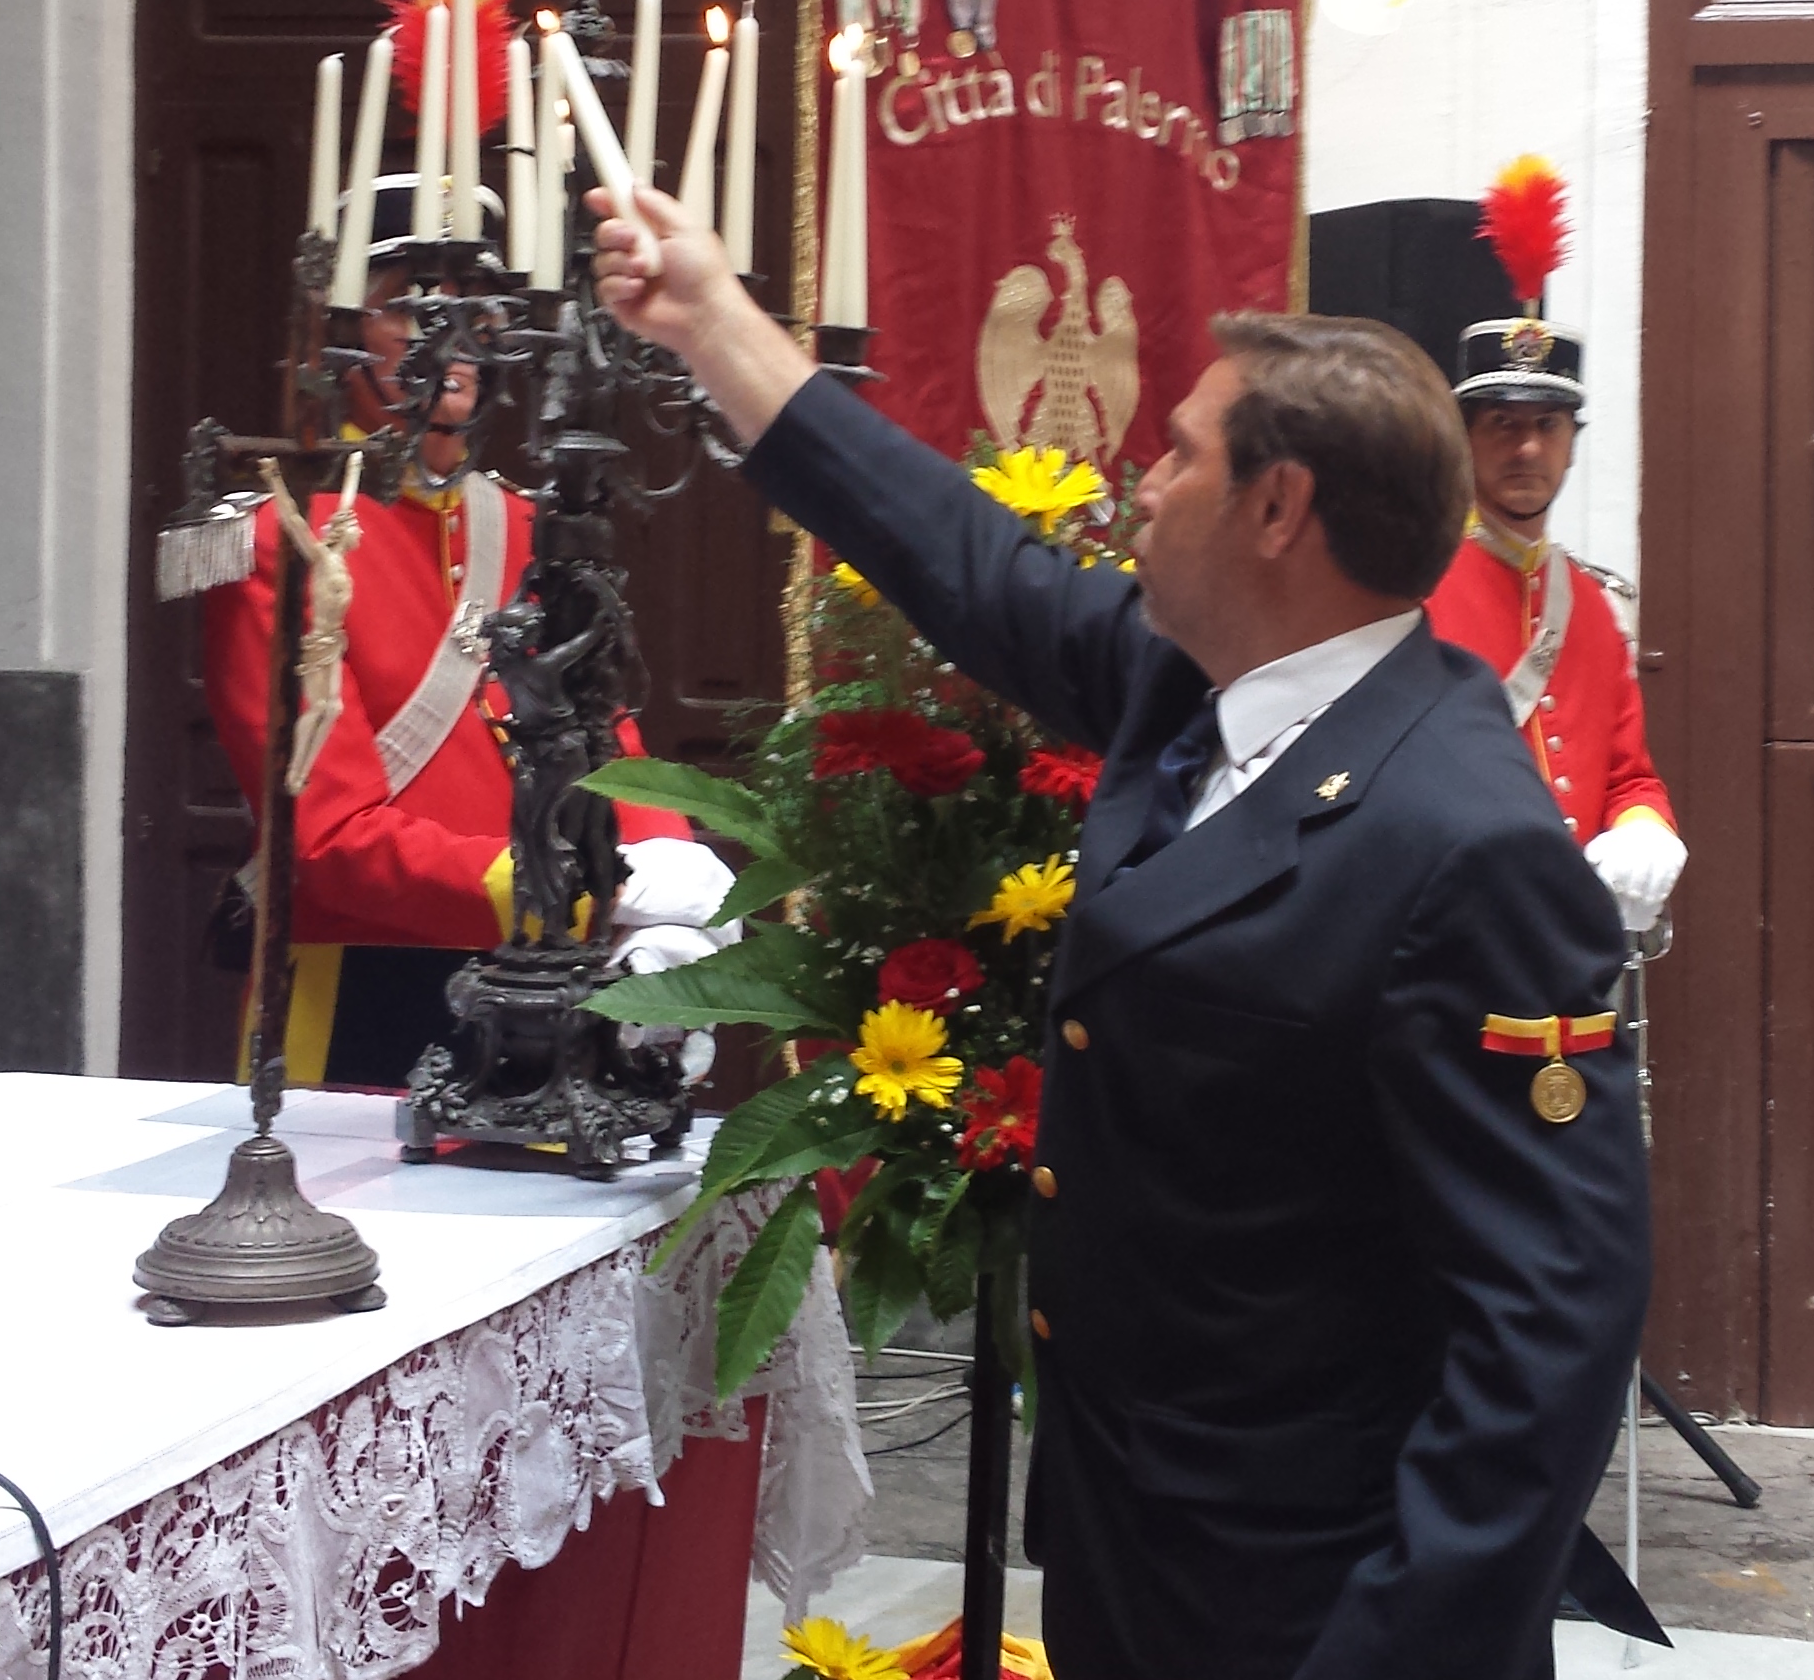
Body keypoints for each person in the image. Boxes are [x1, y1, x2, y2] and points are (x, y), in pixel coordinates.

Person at [592, 181, 1655, 1679]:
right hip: (1135, 1545)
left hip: (1316, 1600)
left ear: (1279, 510)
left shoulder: (1468, 841)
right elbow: (964, 557)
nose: (1140, 487)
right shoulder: (1201, 690)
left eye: (1181, 453)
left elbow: (1549, 1329)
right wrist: (715, 324)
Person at [199, 185, 729, 1088]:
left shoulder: (526, 526)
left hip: (560, 971)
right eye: (407, 309)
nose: (449, 343)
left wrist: (663, 867)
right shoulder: (278, 541)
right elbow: (324, 841)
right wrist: (586, 889)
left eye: (476, 313)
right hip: (366, 991)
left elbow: (603, 731)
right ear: (339, 332)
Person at [1422, 310, 1681, 939]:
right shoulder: (1411, 590)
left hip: (1567, 938)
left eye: (1548, 425)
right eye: (1503, 424)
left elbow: (1629, 778)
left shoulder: (1595, 605)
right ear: (1464, 437)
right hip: (1451, 928)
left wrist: (1644, 831)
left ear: (1572, 442)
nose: (1528, 448)